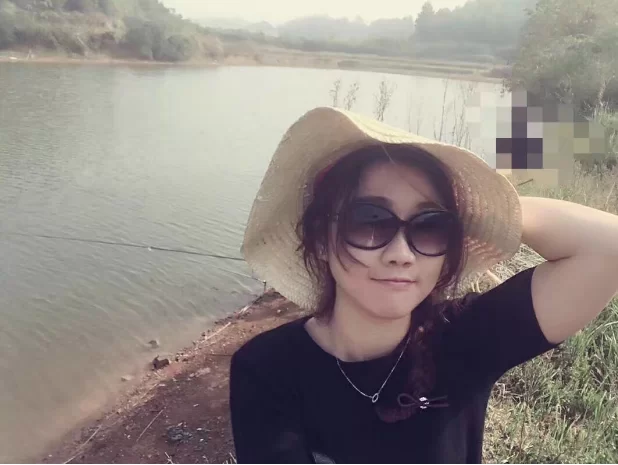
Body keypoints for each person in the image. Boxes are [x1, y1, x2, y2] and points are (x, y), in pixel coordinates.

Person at [228, 107, 618, 464]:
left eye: (429, 227)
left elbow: (607, 249)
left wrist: (489, 214)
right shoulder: (267, 369)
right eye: (369, 221)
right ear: (319, 240)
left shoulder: (467, 337)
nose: (401, 254)